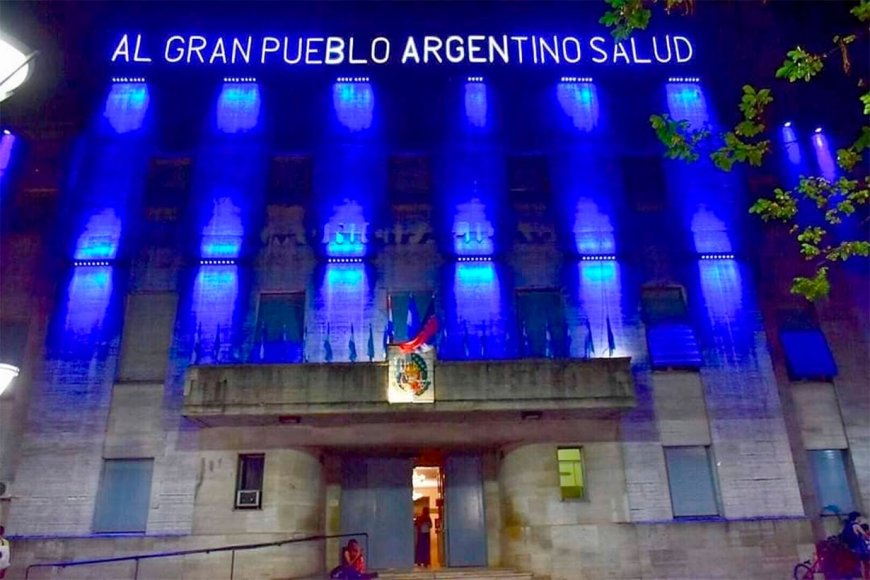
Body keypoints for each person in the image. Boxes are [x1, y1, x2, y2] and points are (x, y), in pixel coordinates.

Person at [841, 512, 870, 579]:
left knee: (861, 565)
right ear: (856, 517)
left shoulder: (847, 526)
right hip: (861, 548)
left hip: (853, 548)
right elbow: (864, 535)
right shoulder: (856, 525)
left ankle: (864, 578)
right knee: (867, 562)